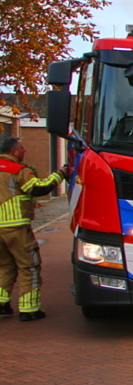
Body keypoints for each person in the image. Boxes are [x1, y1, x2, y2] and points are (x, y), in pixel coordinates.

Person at [0, 137, 70, 321]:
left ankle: (2, 305)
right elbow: (39, 189)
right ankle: (29, 310)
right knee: (29, 267)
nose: (25, 151)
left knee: (4, 267)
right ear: (14, 152)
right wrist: (60, 174)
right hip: (15, 228)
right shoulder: (18, 170)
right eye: (22, 148)